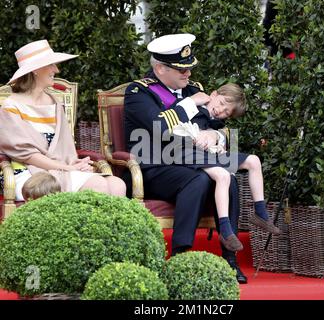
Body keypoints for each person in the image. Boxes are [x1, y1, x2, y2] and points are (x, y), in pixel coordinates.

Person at [124, 33, 247, 283]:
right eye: (181, 69)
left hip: (192, 160)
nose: (188, 74)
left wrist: (215, 136)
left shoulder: (194, 89)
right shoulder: (139, 91)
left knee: (229, 178)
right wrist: (189, 104)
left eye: (190, 68)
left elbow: (216, 124)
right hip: (154, 166)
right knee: (198, 181)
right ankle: (181, 255)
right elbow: (159, 126)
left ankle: (230, 260)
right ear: (159, 68)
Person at [0, 40, 126, 200]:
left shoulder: (54, 102)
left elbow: (65, 149)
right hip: (27, 174)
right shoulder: (11, 106)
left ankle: (106, 226)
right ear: (36, 70)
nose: (56, 70)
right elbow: (28, 155)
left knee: (118, 185)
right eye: (51, 64)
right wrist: (67, 168)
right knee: (98, 185)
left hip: (60, 169)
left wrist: (76, 165)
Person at [172, 83, 281, 252]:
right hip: (186, 154)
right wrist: (192, 107)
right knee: (223, 176)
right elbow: (173, 120)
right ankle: (225, 228)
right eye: (221, 103)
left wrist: (216, 138)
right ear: (214, 94)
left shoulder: (218, 122)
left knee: (254, 161)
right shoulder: (194, 104)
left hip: (210, 153)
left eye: (226, 112)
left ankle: (260, 212)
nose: (220, 111)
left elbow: (224, 136)